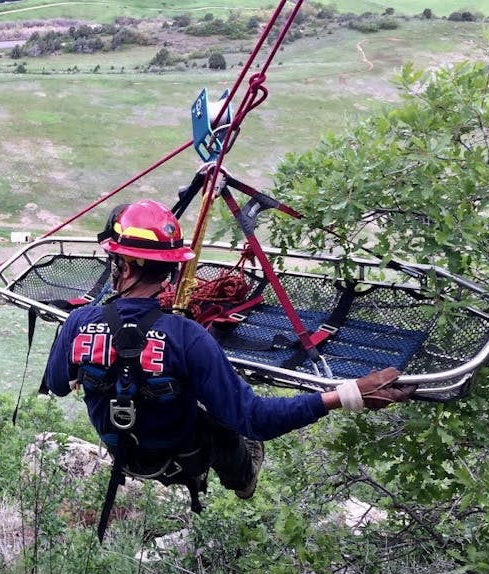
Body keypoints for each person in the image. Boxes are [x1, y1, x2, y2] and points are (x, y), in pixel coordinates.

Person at [41, 199, 416, 539]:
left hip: (121, 449)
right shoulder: (188, 338)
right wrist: (346, 395)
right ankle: (241, 476)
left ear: (120, 263)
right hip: (180, 455)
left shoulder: (77, 323)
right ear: (172, 270)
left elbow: (58, 384)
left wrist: (98, 365)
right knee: (228, 416)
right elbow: (256, 418)